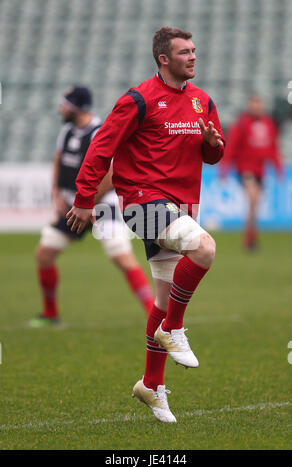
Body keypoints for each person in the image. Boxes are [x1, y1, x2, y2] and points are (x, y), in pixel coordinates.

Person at [66, 28, 225, 423]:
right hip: (142, 203)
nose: (192, 57)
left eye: (194, 51)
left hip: (181, 206)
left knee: (161, 298)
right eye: (184, 52)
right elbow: (101, 148)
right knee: (204, 249)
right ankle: (173, 328)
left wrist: (213, 144)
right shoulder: (137, 100)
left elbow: (211, 156)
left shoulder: (202, 101)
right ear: (163, 59)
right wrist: (85, 199)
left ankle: (151, 385)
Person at [28, 85, 154, 328]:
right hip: (74, 207)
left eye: (64, 104)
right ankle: (51, 314)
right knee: (44, 255)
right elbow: (58, 160)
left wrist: (88, 203)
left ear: (75, 107)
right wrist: (56, 192)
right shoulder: (66, 131)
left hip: (100, 206)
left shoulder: (100, 131)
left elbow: (111, 171)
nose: (60, 108)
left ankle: (154, 316)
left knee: (122, 257)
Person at [220, 94, 283, 250]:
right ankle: (250, 238)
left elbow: (273, 147)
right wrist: (224, 169)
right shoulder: (242, 124)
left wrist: (278, 168)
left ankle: (250, 237)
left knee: (254, 206)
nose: (256, 107)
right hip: (245, 169)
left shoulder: (268, 123)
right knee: (253, 200)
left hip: (260, 170)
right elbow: (231, 147)